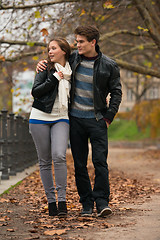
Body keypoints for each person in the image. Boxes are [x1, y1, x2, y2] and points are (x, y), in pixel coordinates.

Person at [36, 25, 122, 218]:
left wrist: (108, 117)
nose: (78, 45)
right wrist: (41, 64)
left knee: (100, 162)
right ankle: (86, 204)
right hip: (75, 121)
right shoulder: (73, 59)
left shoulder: (109, 64)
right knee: (80, 164)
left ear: (93, 42)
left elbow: (116, 92)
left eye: (81, 41)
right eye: (77, 41)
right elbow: (54, 61)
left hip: (98, 120)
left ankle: (101, 203)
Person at [29, 37, 72, 217]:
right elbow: (36, 92)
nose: (50, 52)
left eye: (54, 48)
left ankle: (62, 200)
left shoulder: (73, 69)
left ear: (64, 50)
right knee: (45, 161)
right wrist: (54, 79)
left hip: (61, 117)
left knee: (59, 156)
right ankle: (52, 203)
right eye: (49, 49)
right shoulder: (45, 67)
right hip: (39, 118)